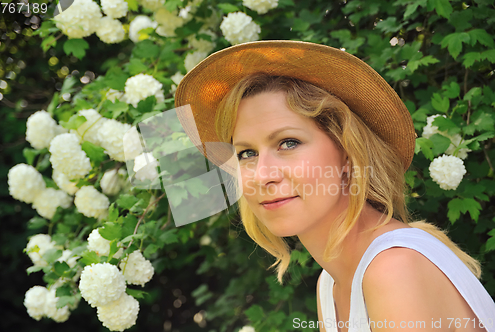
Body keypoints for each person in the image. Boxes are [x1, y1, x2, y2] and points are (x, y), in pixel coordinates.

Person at [174, 41, 495, 332]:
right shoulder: (330, 286)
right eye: (246, 153)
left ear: (347, 153)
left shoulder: (395, 268)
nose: (262, 175)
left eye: (288, 142)